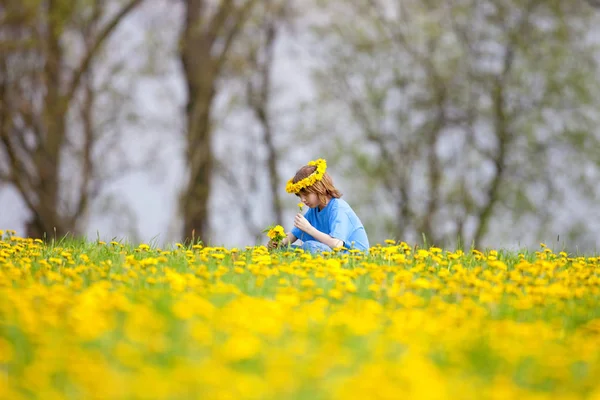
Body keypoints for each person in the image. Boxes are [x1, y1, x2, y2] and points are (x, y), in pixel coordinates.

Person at [269, 158, 370, 254]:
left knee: (310, 246)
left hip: (351, 255)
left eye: (306, 194)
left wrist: (309, 229)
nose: (302, 200)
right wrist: (279, 242)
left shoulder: (338, 208)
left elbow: (337, 244)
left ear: (319, 188)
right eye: (300, 196)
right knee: (283, 250)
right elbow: (293, 235)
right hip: (331, 254)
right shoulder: (314, 210)